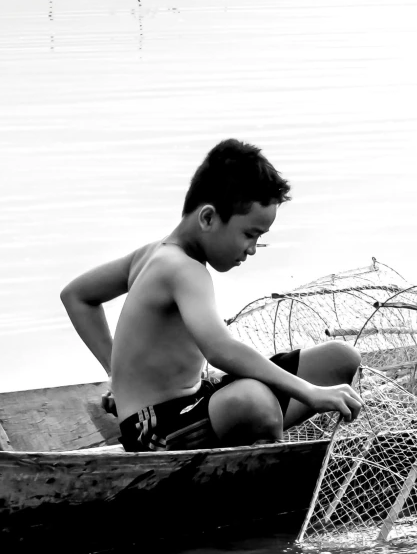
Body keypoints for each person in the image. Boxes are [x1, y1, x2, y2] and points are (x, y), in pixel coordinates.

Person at [59, 138, 362, 452]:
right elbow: (220, 349)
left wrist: (116, 375)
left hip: (198, 401)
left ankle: (258, 423)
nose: (252, 249)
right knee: (254, 402)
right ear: (207, 218)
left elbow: (77, 295)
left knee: (340, 359)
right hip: (156, 429)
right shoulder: (184, 269)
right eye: (249, 234)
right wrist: (309, 392)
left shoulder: (152, 254)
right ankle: (263, 464)